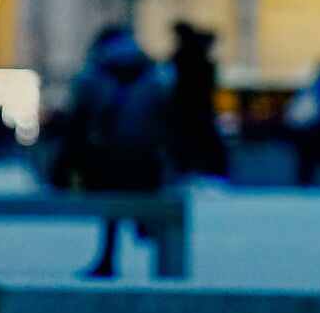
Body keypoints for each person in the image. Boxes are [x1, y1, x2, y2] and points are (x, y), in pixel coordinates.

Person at [58, 26, 172, 279]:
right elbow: (167, 123)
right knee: (146, 204)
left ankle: (108, 256)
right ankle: (147, 233)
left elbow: (78, 125)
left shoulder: (93, 78)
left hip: (108, 158)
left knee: (110, 212)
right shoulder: (156, 77)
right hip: (146, 159)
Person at [166, 21, 228, 179]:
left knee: (190, 142)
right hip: (198, 109)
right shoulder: (197, 58)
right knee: (202, 141)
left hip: (187, 110)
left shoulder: (182, 57)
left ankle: (193, 170)